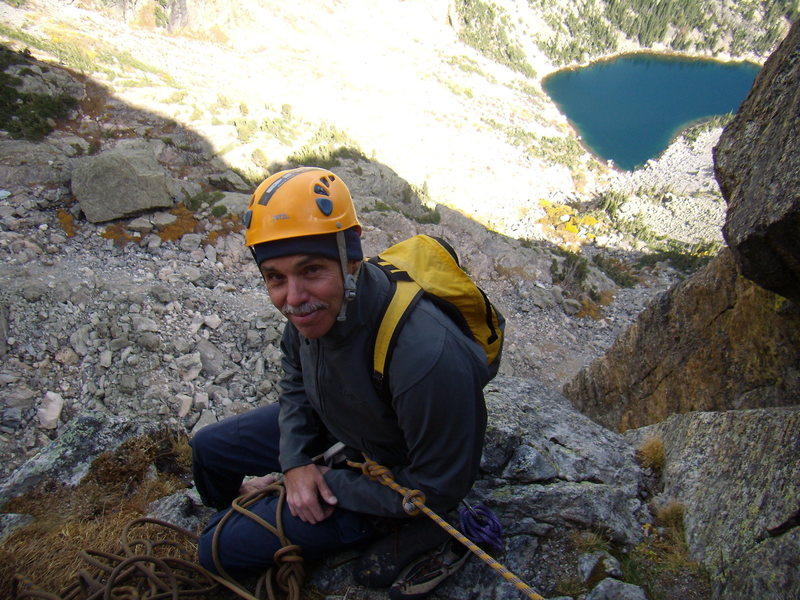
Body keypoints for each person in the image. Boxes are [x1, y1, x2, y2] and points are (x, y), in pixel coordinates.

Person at [190, 166, 501, 599]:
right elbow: (296, 379)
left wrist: (328, 482)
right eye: (275, 278)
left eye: (311, 270)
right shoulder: (311, 312)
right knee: (208, 451)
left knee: (213, 548)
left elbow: (436, 485)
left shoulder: (426, 355)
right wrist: (296, 461)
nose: (293, 298)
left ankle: (425, 534)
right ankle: (247, 509)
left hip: (393, 478)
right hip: (341, 422)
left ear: (351, 262)